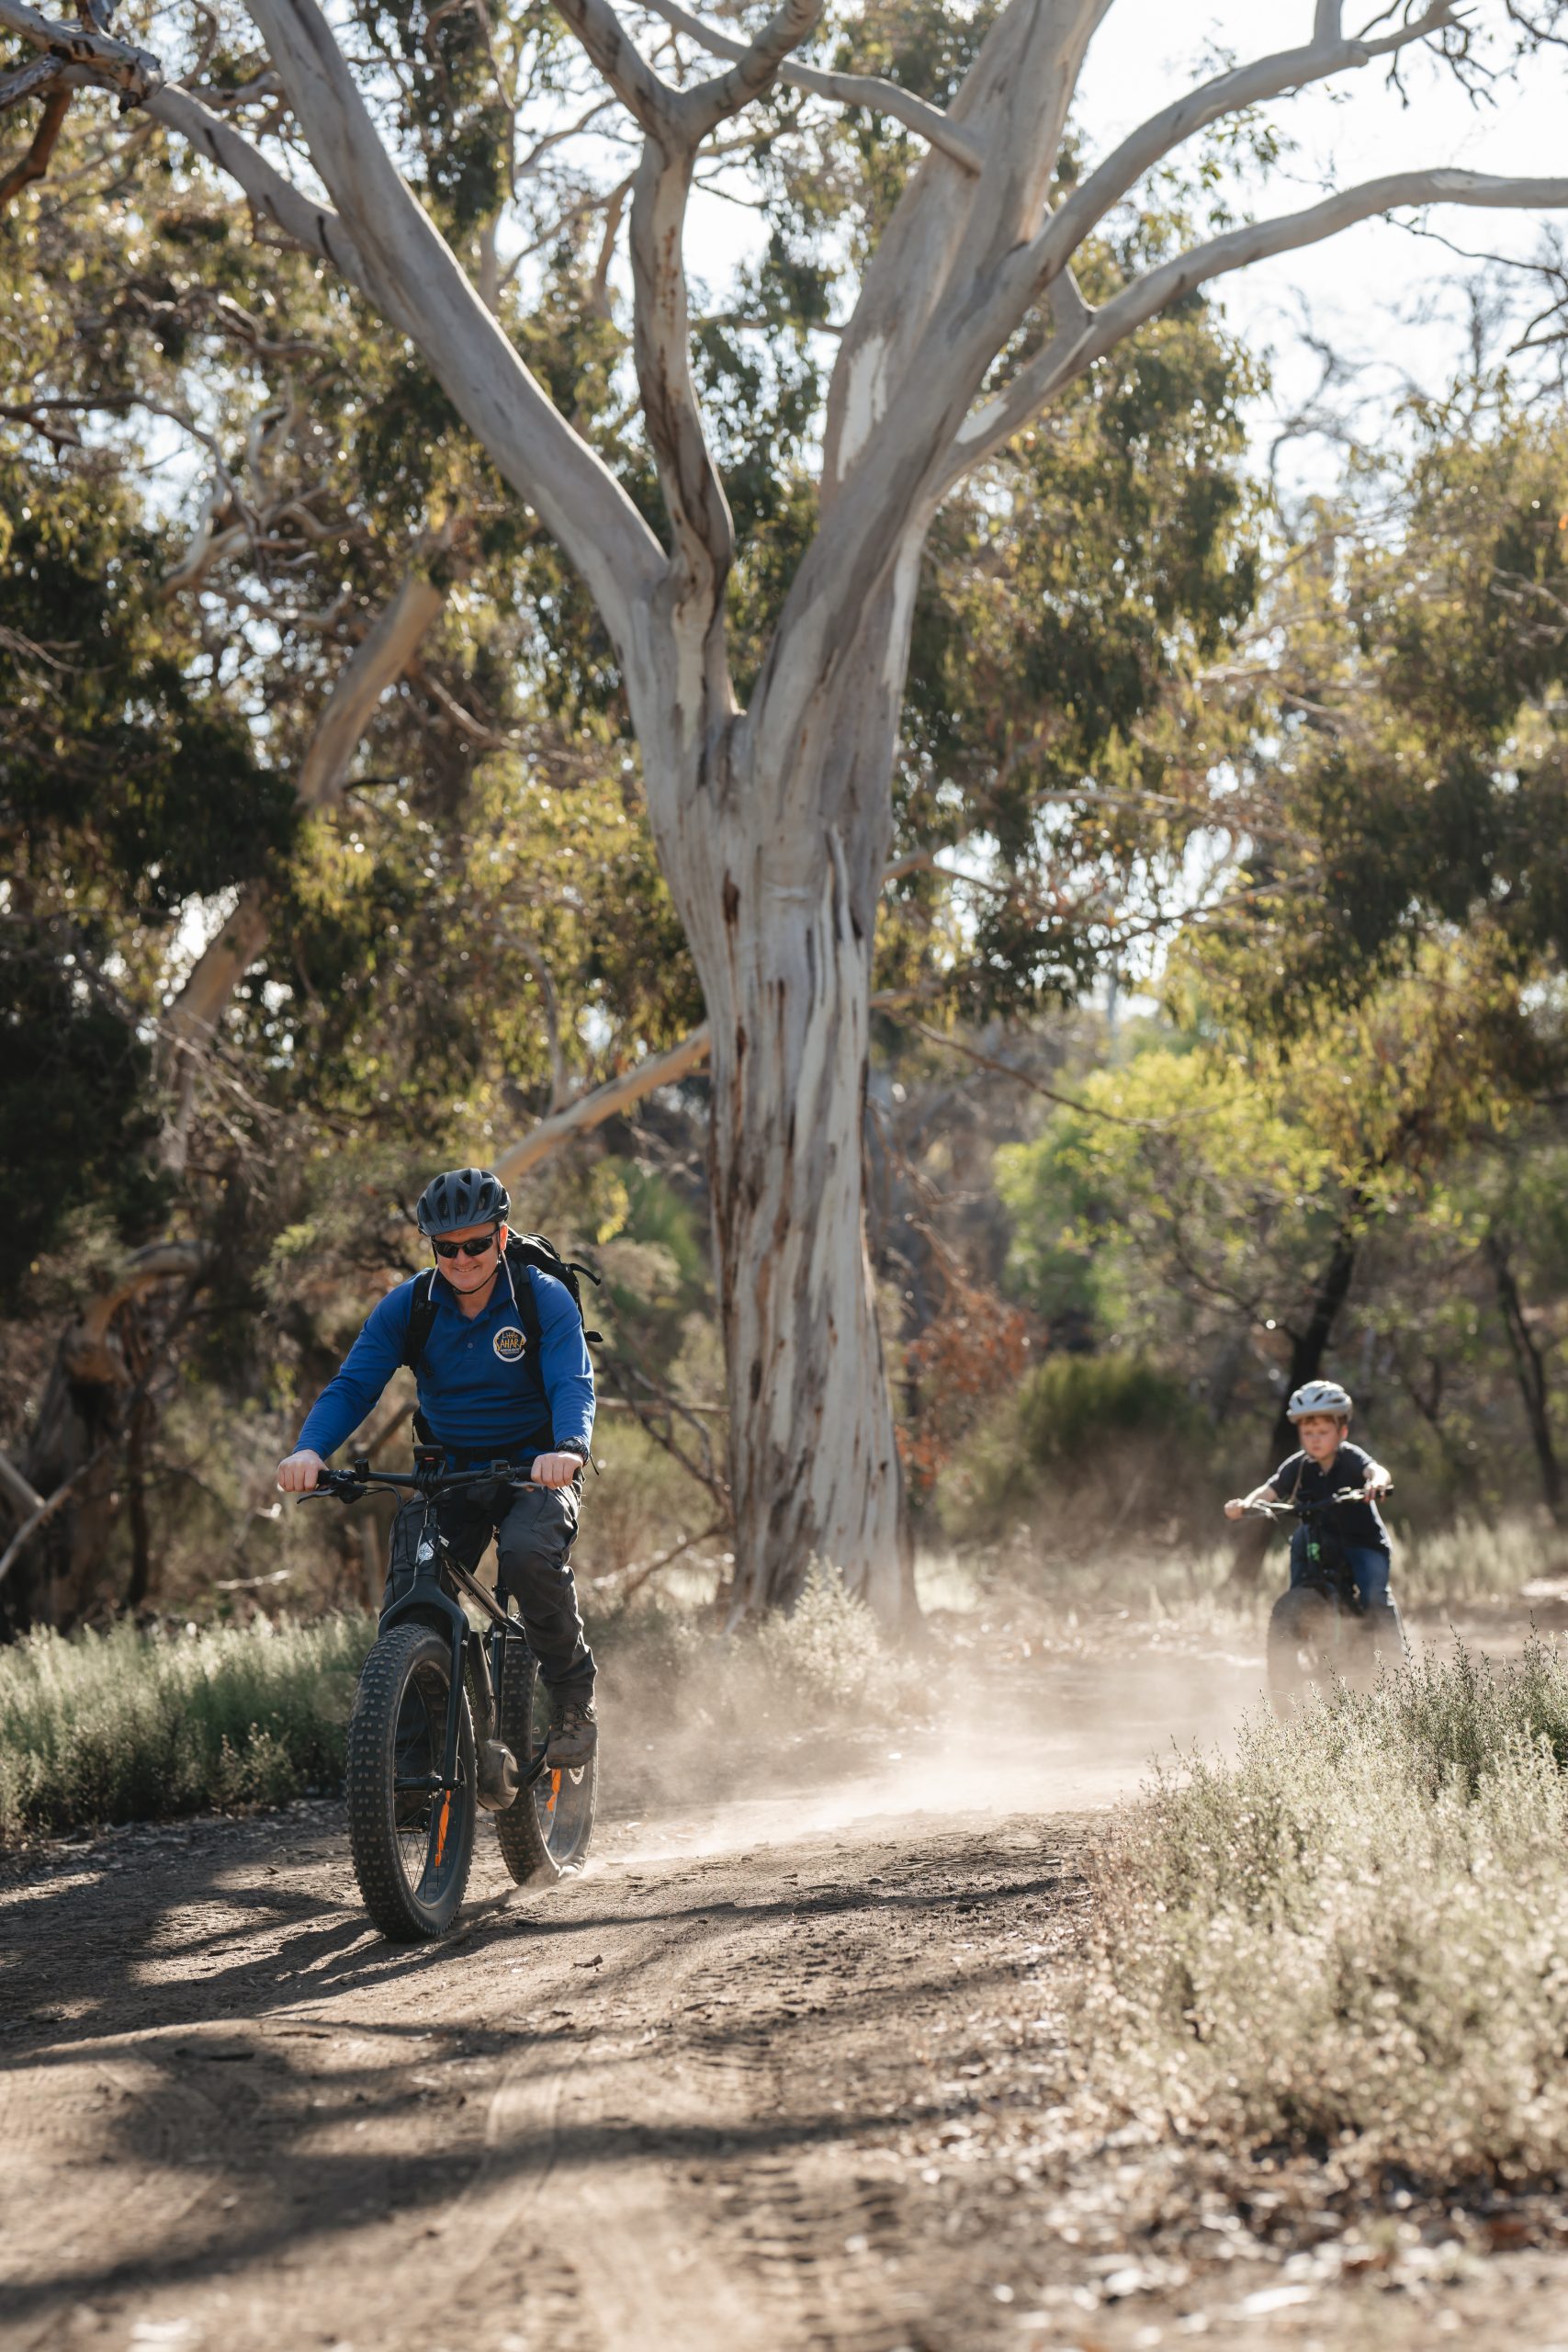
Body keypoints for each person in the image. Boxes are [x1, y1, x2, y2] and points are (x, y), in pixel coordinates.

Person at [276, 1166, 598, 1767]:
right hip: (449, 1469)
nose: (462, 1259)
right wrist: (310, 1450)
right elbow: (353, 1386)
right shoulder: (411, 1305)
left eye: (476, 1244)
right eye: (447, 1248)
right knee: (414, 1587)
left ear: (500, 1239)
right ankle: (413, 1763)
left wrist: (569, 1450)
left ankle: (572, 1701)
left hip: (536, 1466)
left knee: (528, 1554)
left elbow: (572, 1382)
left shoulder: (539, 1296)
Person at [1224, 1377, 1404, 1649]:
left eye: (1323, 1432)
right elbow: (1269, 1490)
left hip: (1363, 1542)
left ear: (1341, 1432)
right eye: (1308, 1433)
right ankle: (1300, 1609)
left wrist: (1377, 1483)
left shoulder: (1351, 1458)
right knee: (1299, 1541)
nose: (1315, 1439)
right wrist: (1245, 1504)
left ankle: (1398, 1662)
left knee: (1375, 1597)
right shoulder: (1297, 1466)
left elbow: (1376, 1470)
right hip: (1318, 1538)